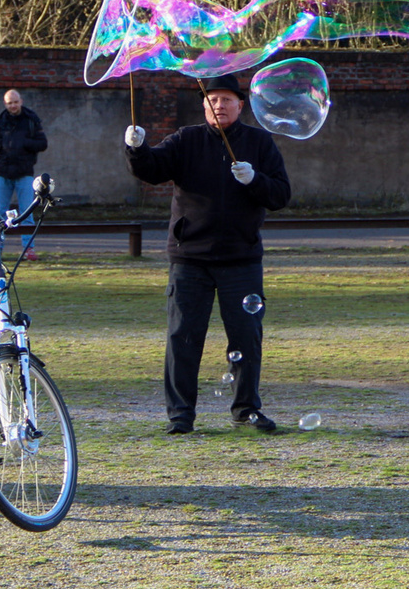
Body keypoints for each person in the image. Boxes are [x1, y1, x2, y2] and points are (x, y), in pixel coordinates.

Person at [124, 74, 291, 434]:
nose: (220, 106)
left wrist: (255, 180)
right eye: (213, 100)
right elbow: (152, 170)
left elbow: (280, 195)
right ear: (204, 105)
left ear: (240, 106)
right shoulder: (187, 139)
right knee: (183, 337)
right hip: (190, 258)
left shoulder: (259, 142)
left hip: (241, 258)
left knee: (246, 338)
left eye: (227, 100)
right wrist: (136, 148)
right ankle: (180, 415)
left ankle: (246, 409)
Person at [0, 89, 48, 260]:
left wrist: (24, 143)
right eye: (9, 103)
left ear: (21, 101)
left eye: (15, 102)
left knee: (27, 211)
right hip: (3, 173)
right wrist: (3, 143)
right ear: (5, 104)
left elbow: (43, 143)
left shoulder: (31, 121)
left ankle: (29, 249)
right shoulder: (0, 123)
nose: (13, 105)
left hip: (24, 172)